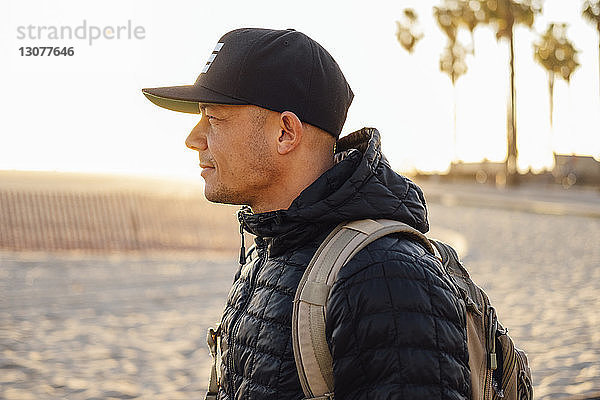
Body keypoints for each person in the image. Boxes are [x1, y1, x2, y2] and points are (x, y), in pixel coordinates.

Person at [142, 28, 470, 400]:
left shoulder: (383, 276)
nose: (193, 138)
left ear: (285, 133)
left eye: (213, 118)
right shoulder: (271, 249)